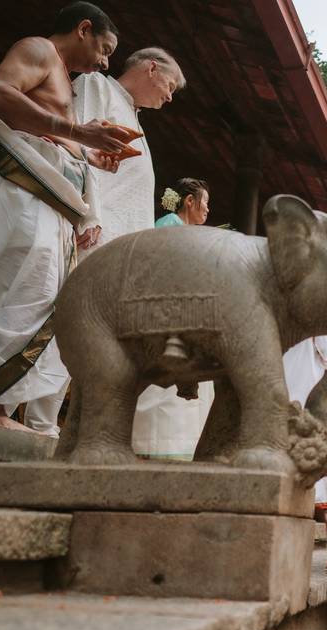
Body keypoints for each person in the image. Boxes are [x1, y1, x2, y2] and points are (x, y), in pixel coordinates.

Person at [0, 2, 129, 436]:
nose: (105, 63)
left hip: (50, 201)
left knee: (49, 293)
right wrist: (78, 133)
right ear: (83, 29)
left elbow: (52, 134)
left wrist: (90, 152)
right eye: (105, 50)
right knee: (29, 287)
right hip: (23, 191)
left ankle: (5, 409)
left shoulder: (64, 79)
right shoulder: (36, 50)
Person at [73, 47, 186, 259]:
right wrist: (90, 216)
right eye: (170, 86)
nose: (170, 97)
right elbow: (79, 148)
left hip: (123, 243)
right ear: (152, 67)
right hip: (95, 234)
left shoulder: (133, 115)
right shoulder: (98, 84)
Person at [129, 178, 214, 459]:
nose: (207, 210)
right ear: (189, 201)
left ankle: (181, 446)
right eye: (205, 203)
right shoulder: (167, 226)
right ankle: (151, 445)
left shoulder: (187, 232)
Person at [282, 336, 327, 522]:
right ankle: (316, 501)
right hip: (306, 367)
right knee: (311, 424)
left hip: (284, 360)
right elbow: (325, 350)